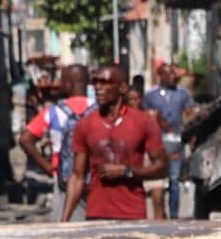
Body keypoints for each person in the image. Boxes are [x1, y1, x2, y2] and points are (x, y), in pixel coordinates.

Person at [62, 63, 166, 222]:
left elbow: (162, 167)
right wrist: (64, 220)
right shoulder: (85, 124)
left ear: (123, 87)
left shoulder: (143, 121)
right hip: (96, 214)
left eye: (104, 82)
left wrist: (127, 171)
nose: (97, 87)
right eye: (95, 82)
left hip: (132, 214)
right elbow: (77, 176)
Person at [20, 65, 90, 218]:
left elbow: (25, 139)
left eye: (62, 80)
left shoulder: (53, 111)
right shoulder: (99, 109)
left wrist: (48, 168)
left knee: (65, 233)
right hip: (94, 183)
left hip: (63, 181)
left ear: (68, 83)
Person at [143, 59, 198, 219]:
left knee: (174, 179)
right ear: (161, 75)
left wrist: (189, 133)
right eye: (169, 73)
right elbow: (147, 116)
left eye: (174, 73)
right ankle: (160, 214)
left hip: (176, 141)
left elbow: (189, 114)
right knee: (158, 181)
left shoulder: (183, 94)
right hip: (157, 142)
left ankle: (174, 215)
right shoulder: (151, 95)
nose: (173, 76)